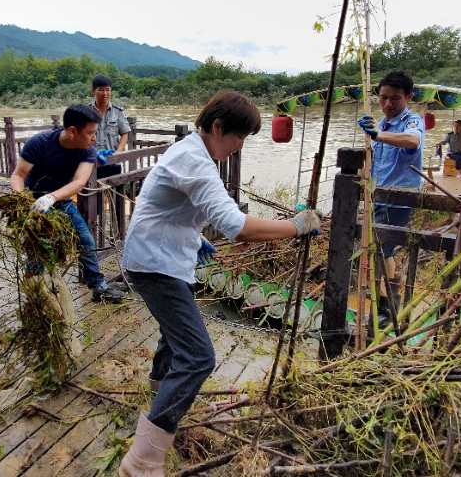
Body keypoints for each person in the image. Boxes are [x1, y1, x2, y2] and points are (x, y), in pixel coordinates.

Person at [117, 91, 322, 476]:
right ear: (216, 127)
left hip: (164, 254)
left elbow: (166, 205)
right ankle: (142, 459)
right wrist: (295, 227)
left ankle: (159, 396)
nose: (240, 145)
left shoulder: (190, 152)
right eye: (239, 137)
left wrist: (195, 236)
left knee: (172, 336)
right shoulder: (195, 161)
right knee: (198, 357)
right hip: (155, 263)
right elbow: (238, 227)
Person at [9, 104, 125, 304]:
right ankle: (34, 290)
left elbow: (79, 182)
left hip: (60, 199)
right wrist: (22, 202)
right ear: (72, 131)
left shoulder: (87, 150)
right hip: (32, 201)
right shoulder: (40, 143)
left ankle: (97, 285)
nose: (94, 138)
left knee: (86, 240)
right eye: (90, 133)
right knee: (39, 247)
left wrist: (52, 198)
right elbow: (18, 175)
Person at [357, 70, 424, 321]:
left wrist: (378, 134)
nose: (387, 104)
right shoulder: (382, 123)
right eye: (383, 98)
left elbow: (412, 141)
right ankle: (382, 301)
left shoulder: (411, 121)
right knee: (379, 250)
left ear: (407, 96)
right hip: (380, 195)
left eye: (394, 99)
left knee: (386, 249)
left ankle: (389, 306)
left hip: (400, 198)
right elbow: (376, 159)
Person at [89, 74, 131, 179]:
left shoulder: (118, 112)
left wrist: (118, 153)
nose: (105, 93)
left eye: (107, 90)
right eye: (101, 90)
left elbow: (125, 133)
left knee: (114, 192)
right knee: (93, 192)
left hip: (113, 161)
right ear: (93, 91)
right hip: (92, 162)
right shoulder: (86, 111)